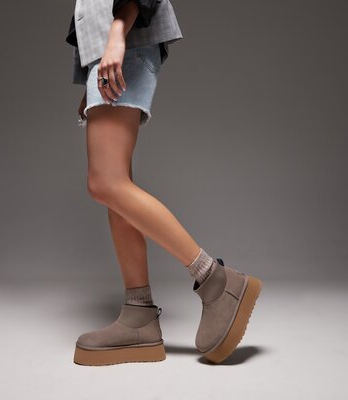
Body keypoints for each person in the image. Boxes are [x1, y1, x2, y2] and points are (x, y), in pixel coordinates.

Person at [67, 0, 262, 366]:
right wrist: (94, 68)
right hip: (113, 47)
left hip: (124, 40)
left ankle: (216, 281)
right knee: (115, 188)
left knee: (105, 182)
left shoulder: (120, 35)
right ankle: (138, 315)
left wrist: (116, 34)